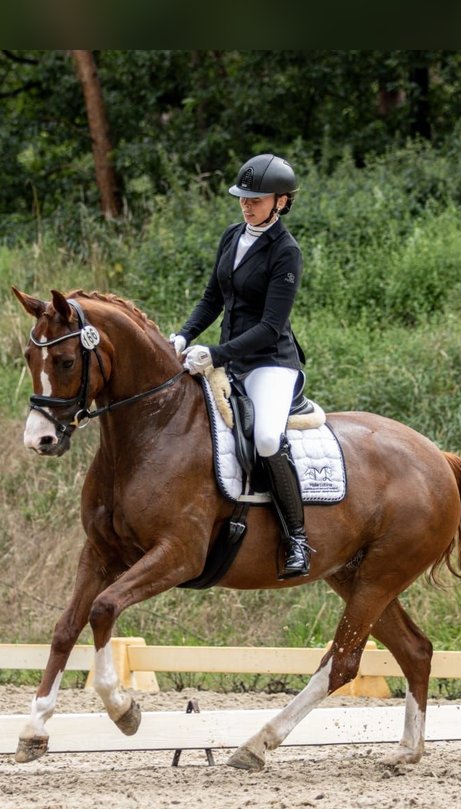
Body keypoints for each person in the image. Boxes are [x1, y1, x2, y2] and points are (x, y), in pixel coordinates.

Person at [170, 152, 311, 579]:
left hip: (269, 363)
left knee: (267, 439)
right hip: (228, 358)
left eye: (257, 199)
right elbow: (212, 298)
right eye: (243, 198)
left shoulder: (286, 252)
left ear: (281, 202)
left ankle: (299, 539)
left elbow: (271, 327)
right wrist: (184, 335)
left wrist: (215, 354)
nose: (247, 205)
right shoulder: (233, 235)